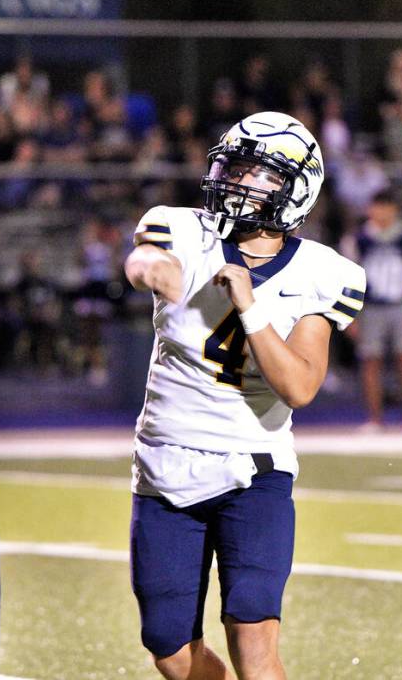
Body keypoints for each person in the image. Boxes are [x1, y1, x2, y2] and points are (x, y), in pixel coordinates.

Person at [123, 112, 366, 680]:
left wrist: (250, 309)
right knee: (168, 648)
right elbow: (142, 257)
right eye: (233, 164)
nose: (237, 178)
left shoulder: (322, 272)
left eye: (257, 172)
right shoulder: (183, 229)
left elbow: (299, 385)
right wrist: (152, 270)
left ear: (293, 188)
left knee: (254, 646)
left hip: (254, 469)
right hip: (164, 464)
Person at [341, 189, 402, 433]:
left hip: (401, 306)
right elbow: (350, 279)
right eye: (378, 206)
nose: (382, 212)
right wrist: (351, 316)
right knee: (371, 362)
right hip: (370, 307)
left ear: (394, 209)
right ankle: (374, 420)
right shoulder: (358, 239)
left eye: (386, 206)